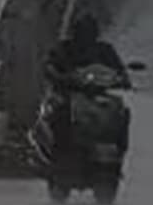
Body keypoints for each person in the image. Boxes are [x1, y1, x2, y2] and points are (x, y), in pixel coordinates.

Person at [43, 14, 131, 153]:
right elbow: (51, 65)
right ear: (76, 32)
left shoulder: (105, 50)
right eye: (83, 31)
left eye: (89, 31)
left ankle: (115, 142)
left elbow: (119, 69)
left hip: (99, 92)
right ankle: (58, 144)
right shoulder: (65, 48)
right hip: (69, 92)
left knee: (120, 109)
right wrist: (61, 76)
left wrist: (122, 79)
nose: (86, 36)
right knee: (60, 108)